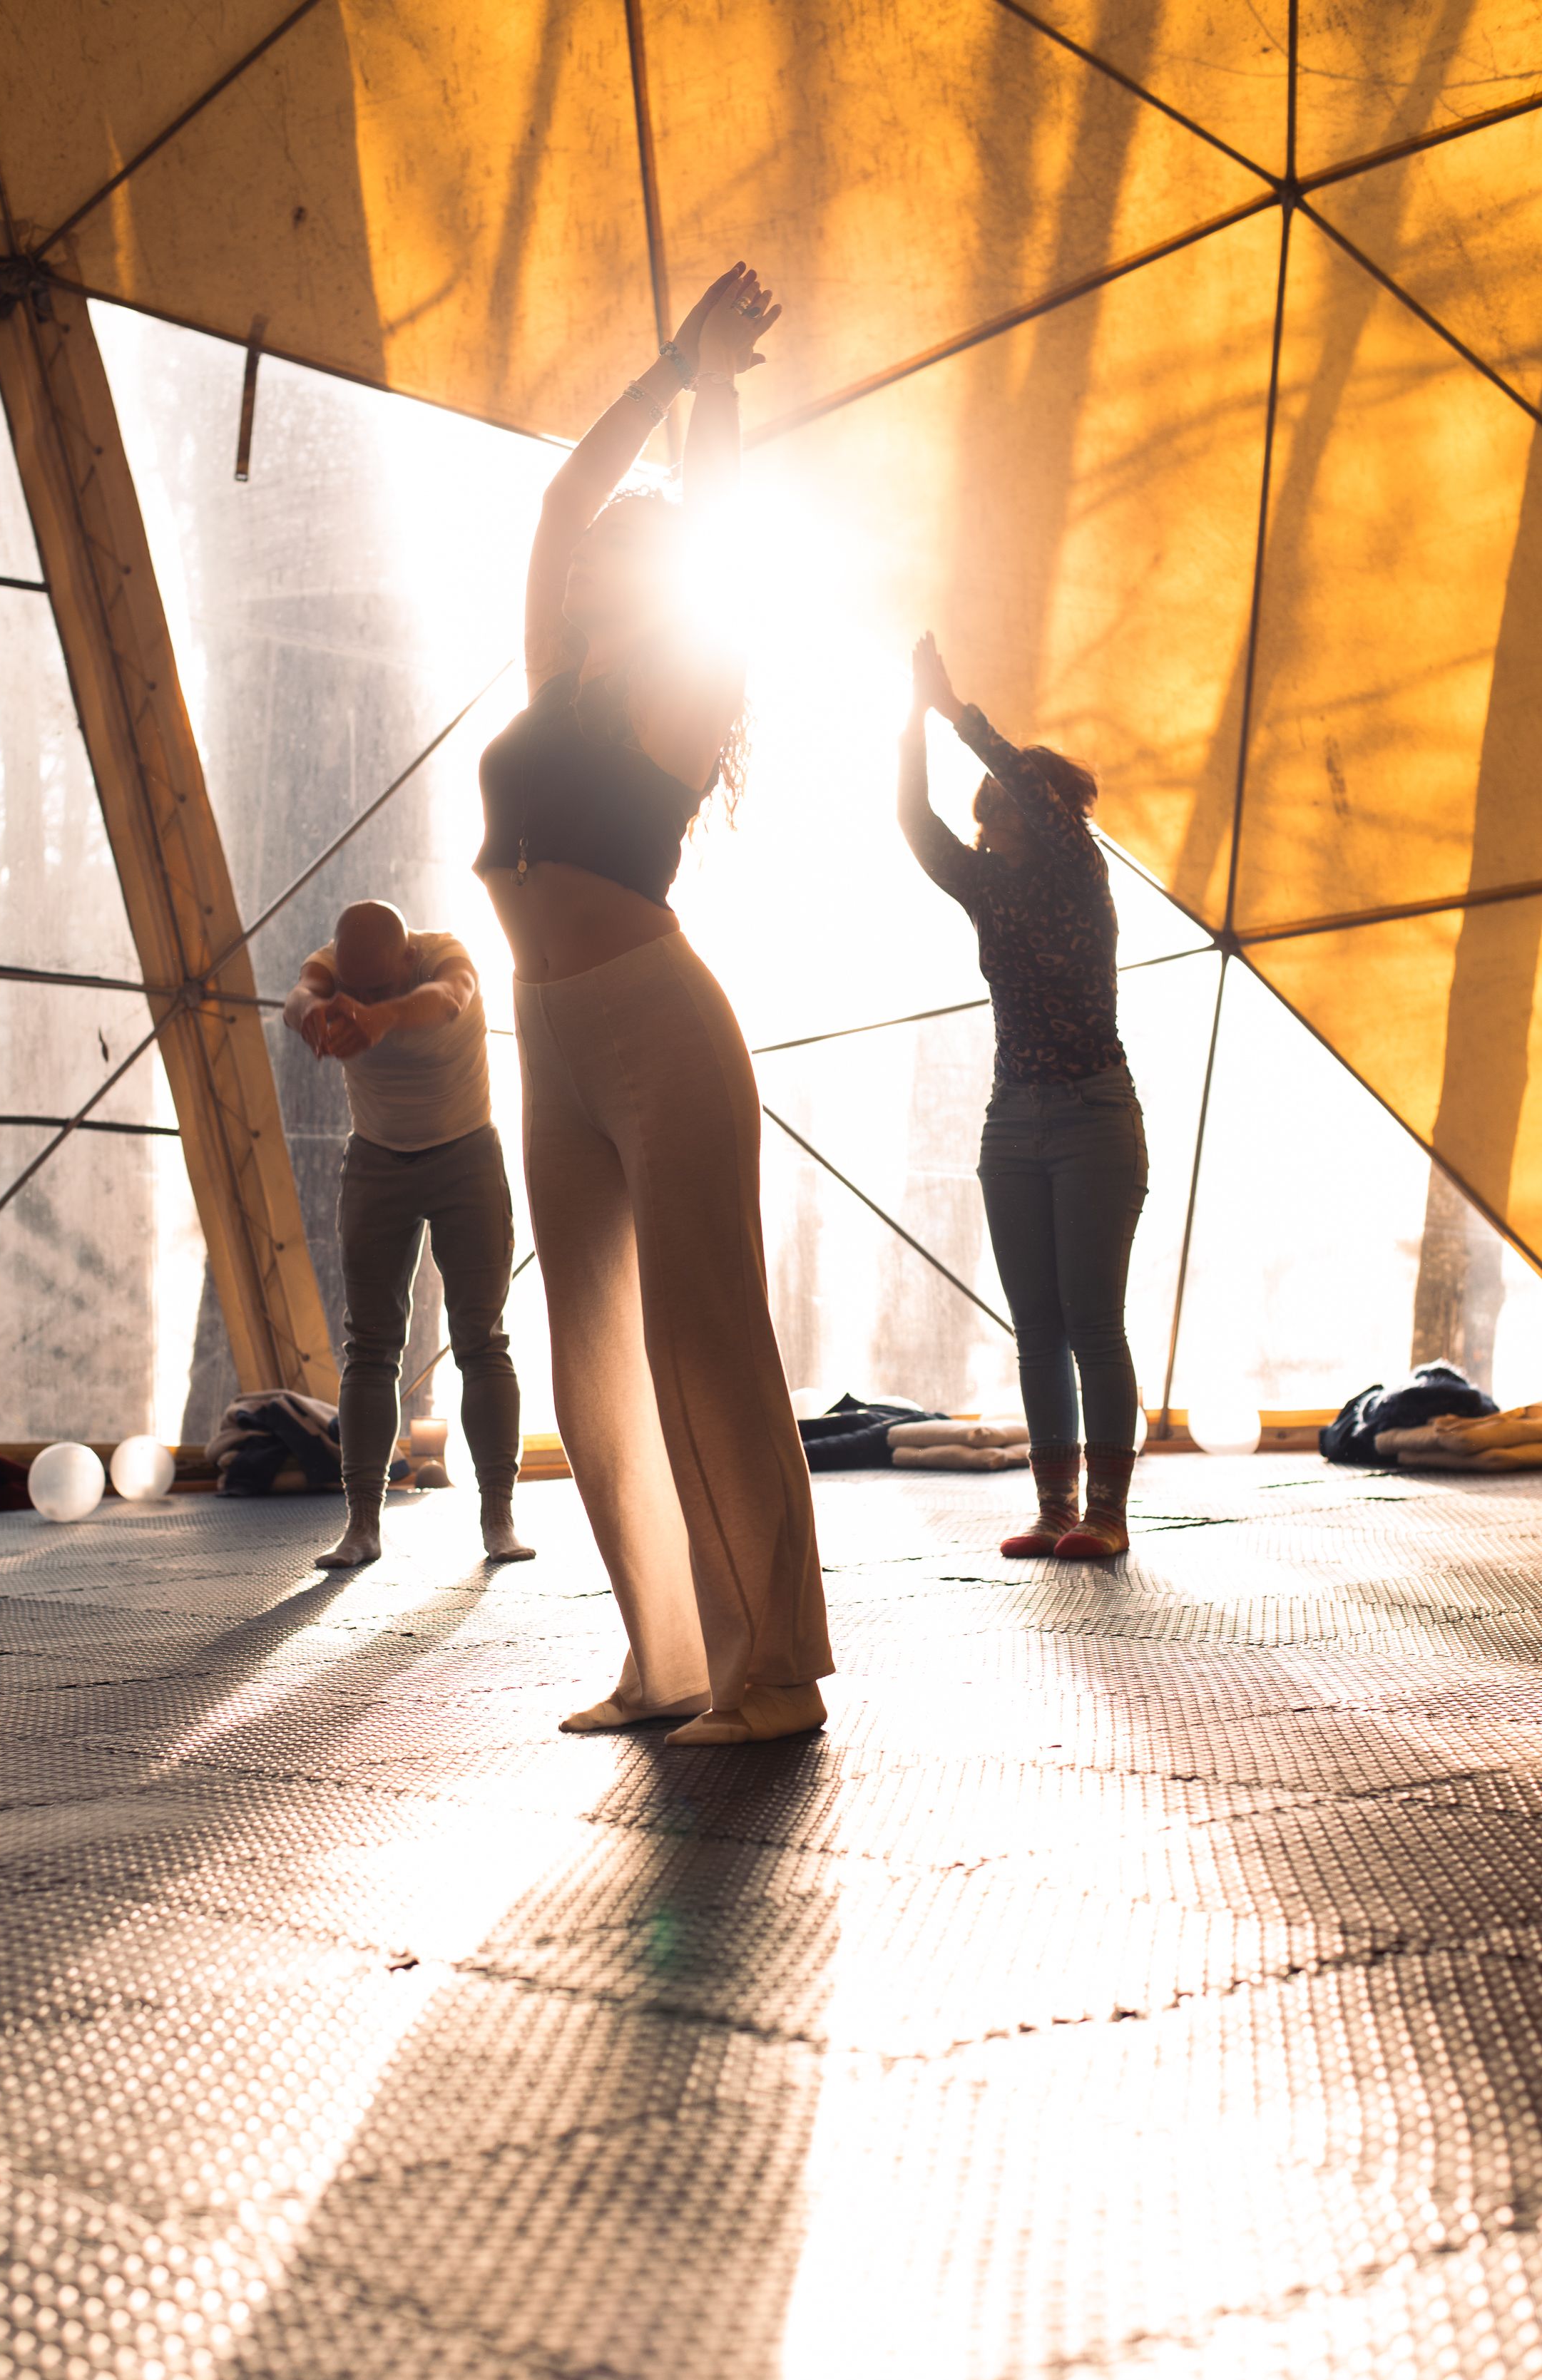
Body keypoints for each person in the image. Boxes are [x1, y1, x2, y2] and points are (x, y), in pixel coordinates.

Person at [473, 262, 834, 1745]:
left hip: (653, 1025)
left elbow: (716, 530)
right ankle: (669, 1659)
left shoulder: (680, 685)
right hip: (546, 1034)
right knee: (595, 1354)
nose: (587, 558)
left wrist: (718, 392)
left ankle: (776, 1673)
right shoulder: (555, 677)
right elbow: (563, 502)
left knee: (700, 1339)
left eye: (621, 548)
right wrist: (663, 373)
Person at [898, 633, 1148, 1559]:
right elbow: (912, 819)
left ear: (1034, 812)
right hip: (1011, 1123)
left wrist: (956, 712)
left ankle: (1108, 1513)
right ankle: (1054, 1508)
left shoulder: (1080, 872)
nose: (983, 825)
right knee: (1037, 1328)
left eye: (997, 809)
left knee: (1092, 1322)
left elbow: (1033, 793)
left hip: (1093, 1116)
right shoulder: (987, 890)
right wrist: (910, 718)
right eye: (984, 814)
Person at [282, 900, 532, 1569]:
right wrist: (313, 1013)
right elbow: (298, 995)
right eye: (355, 990)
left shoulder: (445, 955)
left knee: (481, 1340)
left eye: (380, 987)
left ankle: (498, 1516)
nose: (363, 1000)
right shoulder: (333, 972)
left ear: (409, 958)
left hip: (466, 1157)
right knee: (369, 1347)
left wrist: (383, 1017)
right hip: (376, 1161)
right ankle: (361, 1524)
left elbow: (450, 998)